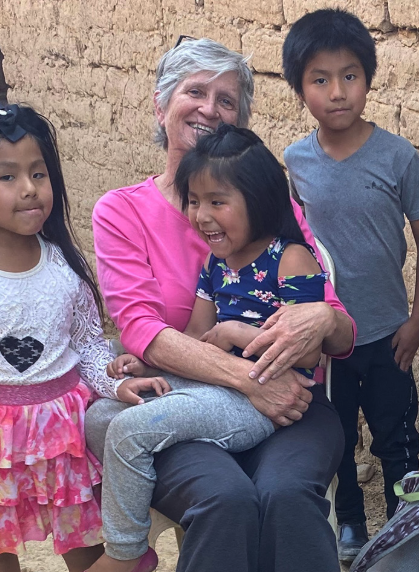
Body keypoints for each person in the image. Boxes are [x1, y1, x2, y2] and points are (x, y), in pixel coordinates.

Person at [86, 38, 356, 572]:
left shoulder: (273, 220)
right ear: (161, 107)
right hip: (214, 392)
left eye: (226, 100)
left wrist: (324, 316)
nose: (210, 108)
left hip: (291, 401)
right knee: (224, 499)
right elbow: (149, 327)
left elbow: (330, 320)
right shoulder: (123, 212)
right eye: (195, 92)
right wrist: (242, 374)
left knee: (284, 495)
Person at [0, 101, 164, 572]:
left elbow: (87, 345)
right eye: (7, 177)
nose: (29, 189)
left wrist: (114, 384)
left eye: (38, 174)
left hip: (63, 435)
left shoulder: (63, 264)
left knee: (87, 546)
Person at [281, 8, 419, 563]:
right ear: (300, 89)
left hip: (387, 335)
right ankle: (350, 524)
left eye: (350, 75)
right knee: (337, 441)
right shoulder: (296, 161)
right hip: (325, 343)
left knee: (397, 436)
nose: (338, 91)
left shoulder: (398, 157)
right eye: (320, 79)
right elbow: (297, 245)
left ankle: (408, 525)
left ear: (368, 80)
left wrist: (417, 321)